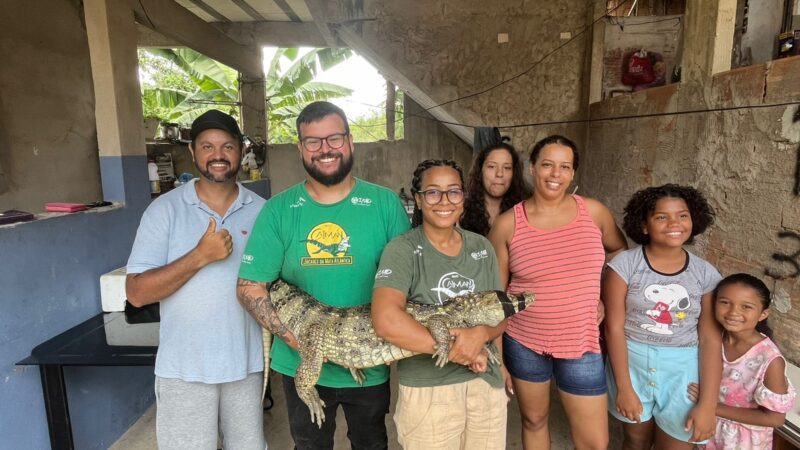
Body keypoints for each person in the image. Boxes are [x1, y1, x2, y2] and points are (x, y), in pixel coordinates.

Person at [236, 101, 409, 450]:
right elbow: (249, 287)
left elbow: (407, 284)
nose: (325, 149)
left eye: (334, 138)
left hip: (368, 360)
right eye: (313, 141)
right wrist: (307, 346)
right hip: (300, 364)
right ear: (301, 148)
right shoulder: (279, 210)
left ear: (350, 141)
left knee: (372, 444)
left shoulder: (385, 204)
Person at [125, 109, 267, 449]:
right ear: (193, 152)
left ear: (241, 150)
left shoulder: (264, 211)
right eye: (207, 146)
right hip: (184, 370)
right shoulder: (164, 211)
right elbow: (137, 293)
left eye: (227, 146)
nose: (217, 155)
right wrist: (199, 256)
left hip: (246, 365)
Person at [488, 135, 627, 449]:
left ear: (573, 173)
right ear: (533, 168)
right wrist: (498, 357)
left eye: (565, 167)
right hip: (524, 342)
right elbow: (496, 298)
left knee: (594, 441)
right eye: (547, 165)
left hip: (582, 341)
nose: (555, 174)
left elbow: (619, 253)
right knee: (534, 421)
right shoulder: (508, 225)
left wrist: (603, 297)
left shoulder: (594, 213)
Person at [372, 159, 508, 450]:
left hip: (485, 384)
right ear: (418, 200)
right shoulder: (402, 250)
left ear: (463, 198)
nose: (444, 201)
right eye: (433, 192)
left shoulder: (481, 247)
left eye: (453, 192)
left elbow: (500, 314)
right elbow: (386, 320)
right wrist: (461, 352)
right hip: (429, 391)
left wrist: (481, 336)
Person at [603, 184, 723, 450]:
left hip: (683, 371)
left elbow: (710, 339)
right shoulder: (624, 266)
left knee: (678, 443)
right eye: (661, 217)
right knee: (635, 441)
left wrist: (708, 404)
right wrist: (624, 387)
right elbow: (613, 327)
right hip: (631, 365)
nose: (674, 223)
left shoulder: (705, 274)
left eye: (682, 215)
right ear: (644, 225)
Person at [687, 273, 796, 450]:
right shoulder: (713, 341)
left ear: (763, 314)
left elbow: (775, 419)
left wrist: (709, 406)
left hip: (743, 442)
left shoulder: (769, 359)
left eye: (746, 306)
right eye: (725, 302)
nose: (733, 312)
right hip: (710, 431)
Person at [461, 142, 528, 236]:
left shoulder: (524, 213)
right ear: (480, 171)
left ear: (514, 173)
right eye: (492, 167)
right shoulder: (461, 212)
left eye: (507, 168)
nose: (499, 174)